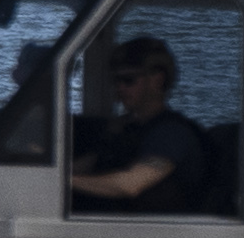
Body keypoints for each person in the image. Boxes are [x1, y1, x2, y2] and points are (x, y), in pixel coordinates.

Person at [66, 36, 224, 216]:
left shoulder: (172, 133)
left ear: (157, 80)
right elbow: (88, 164)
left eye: (128, 80)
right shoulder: (124, 128)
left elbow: (130, 185)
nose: (120, 88)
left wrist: (63, 181)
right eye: (116, 81)